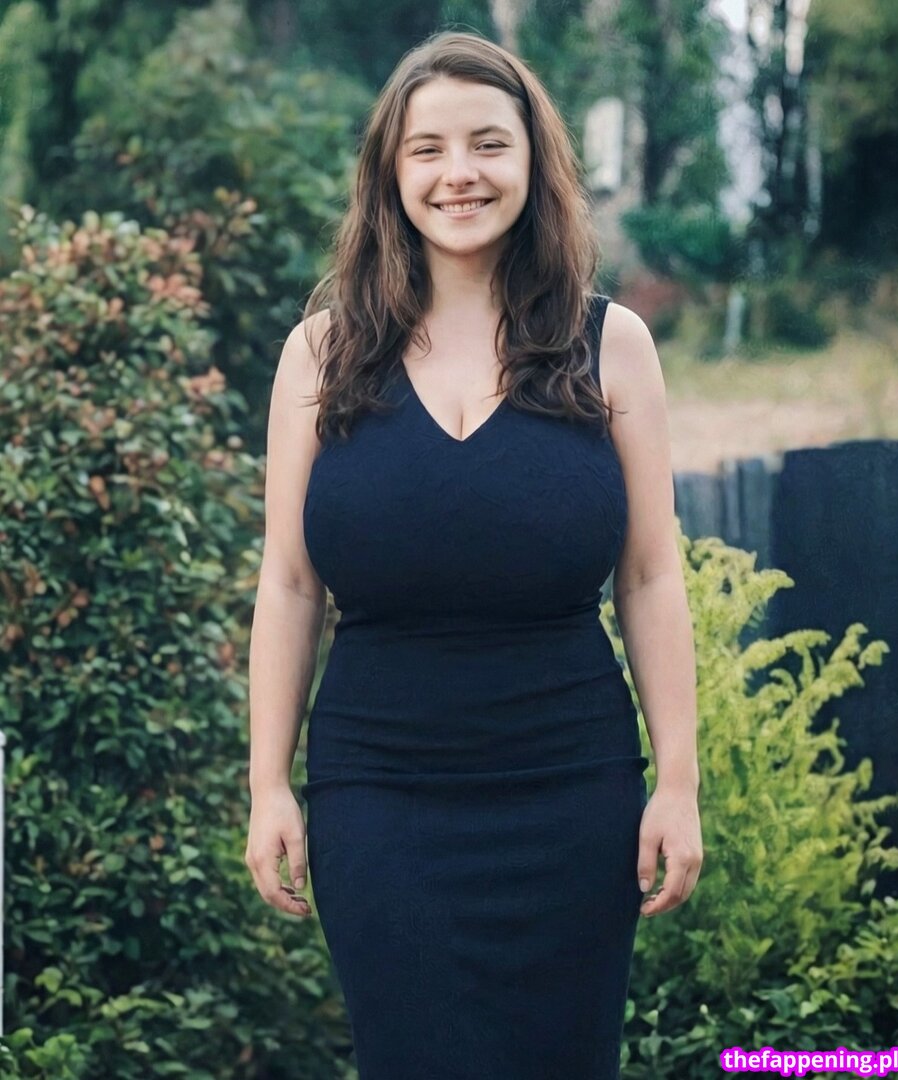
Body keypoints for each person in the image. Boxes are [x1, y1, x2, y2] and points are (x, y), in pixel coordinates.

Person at [245, 28, 703, 1080]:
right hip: (378, 797)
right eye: (428, 149)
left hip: (571, 792)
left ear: (533, 161)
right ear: (390, 173)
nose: (460, 173)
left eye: (489, 143)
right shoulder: (320, 355)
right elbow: (289, 582)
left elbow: (649, 575)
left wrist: (677, 782)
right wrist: (268, 783)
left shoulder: (611, 345)